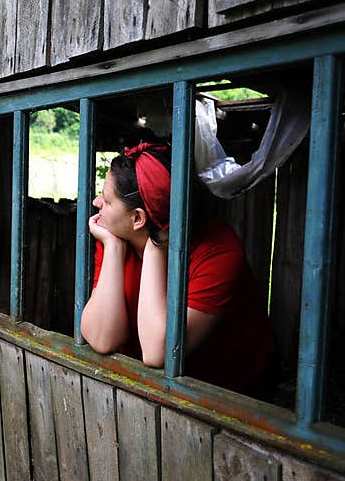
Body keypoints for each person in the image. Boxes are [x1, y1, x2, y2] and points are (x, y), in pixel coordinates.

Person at [80, 142, 274, 394]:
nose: (96, 203)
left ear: (137, 218)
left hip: (230, 393)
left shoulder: (219, 251)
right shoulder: (116, 237)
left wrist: (154, 248)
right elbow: (102, 338)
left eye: (106, 200)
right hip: (151, 390)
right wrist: (113, 247)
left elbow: (158, 352)